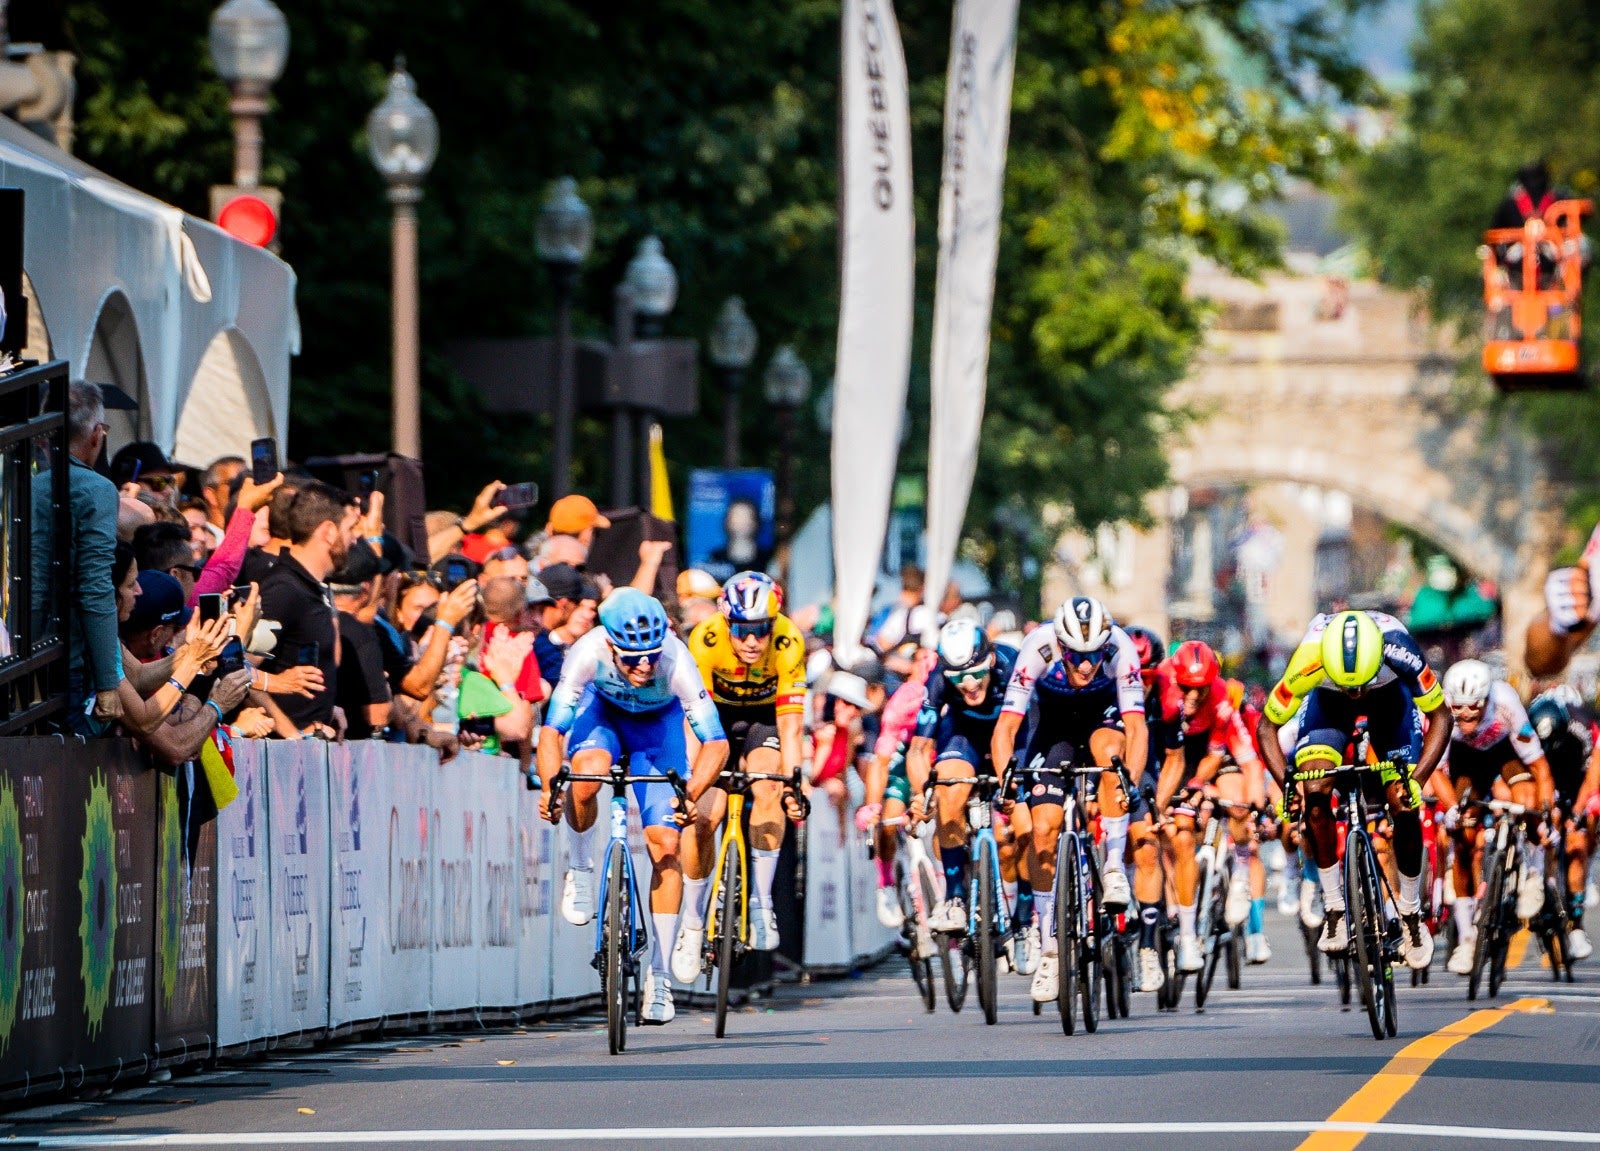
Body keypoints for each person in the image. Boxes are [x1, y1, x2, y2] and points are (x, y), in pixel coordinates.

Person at [537, 588, 729, 1025]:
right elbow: (552, 732)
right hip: (602, 715)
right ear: (609, 645)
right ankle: (582, 868)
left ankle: (659, 977)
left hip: (657, 731)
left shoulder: (678, 661)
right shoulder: (587, 652)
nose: (644, 665)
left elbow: (716, 742)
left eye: (651, 656)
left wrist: (692, 794)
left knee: (665, 843)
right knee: (584, 779)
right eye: (631, 658)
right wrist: (551, 788)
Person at [1256, 610, 1451, 971]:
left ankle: (1410, 915)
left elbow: (1442, 717)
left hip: (1391, 699)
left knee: (1403, 804)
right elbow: (1267, 726)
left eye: (1360, 686)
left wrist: (1417, 779)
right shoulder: (1309, 658)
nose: (1356, 694)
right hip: (1327, 705)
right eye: (1350, 687)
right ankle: (1333, 905)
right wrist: (1288, 783)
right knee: (1314, 790)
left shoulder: (1399, 649)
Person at [990, 596, 1149, 1004]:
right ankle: (1049, 948)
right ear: (1059, 646)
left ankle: (1112, 867)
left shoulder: (1120, 648)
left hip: (1103, 717)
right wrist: (1008, 781)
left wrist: (1128, 781)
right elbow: (1007, 728)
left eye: (1093, 655)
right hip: (1054, 724)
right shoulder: (1037, 646)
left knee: (1111, 755)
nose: (1085, 665)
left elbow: (1137, 729)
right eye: (1076, 655)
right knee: (1042, 829)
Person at [673, 571, 808, 978]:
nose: (752, 641)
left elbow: (791, 725)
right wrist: (689, 783)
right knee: (702, 820)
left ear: (773, 625)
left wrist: (794, 781)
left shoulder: (789, 641)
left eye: (761, 631)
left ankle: (761, 904)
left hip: (764, 721)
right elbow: (693, 721)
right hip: (716, 719)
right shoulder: (706, 639)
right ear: (726, 623)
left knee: (768, 784)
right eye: (742, 631)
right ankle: (693, 921)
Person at [904, 621, 1021, 955]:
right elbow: (916, 749)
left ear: (991, 659)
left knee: (1029, 823)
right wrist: (919, 794)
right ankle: (954, 896)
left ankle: (1025, 916)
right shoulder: (938, 680)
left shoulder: (1013, 666)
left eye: (975, 673)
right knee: (948, 792)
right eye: (957, 677)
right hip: (964, 736)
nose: (968, 685)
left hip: (1014, 735)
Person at [1439, 659, 1556, 974]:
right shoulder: (1438, 711)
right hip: (1466, 762)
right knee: (1463, 840)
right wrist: (1452, 811)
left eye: (1474, 708)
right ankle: (1466, 939)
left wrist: (1544, 815)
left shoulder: (1505, 702)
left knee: (1526, 798)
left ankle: (1532, 874)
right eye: (1459, 709)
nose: (1466, 716)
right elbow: (1436, 772)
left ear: (1487, 700)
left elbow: (1540, 767)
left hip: (1504, 753)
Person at [1161, 640, 1271, 970]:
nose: (1193, 696)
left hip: (1215, 754)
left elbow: (1248, 764)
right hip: (1176, 757)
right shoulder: (1163, 694)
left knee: (1237, 801)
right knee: (1173, 836)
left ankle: (1238, 872)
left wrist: (1256, 806)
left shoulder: (1224, 700)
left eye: (1202, 690)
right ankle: (1177, 917)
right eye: (1187, 689)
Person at [259, 482, 360, 735]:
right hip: (280, 758)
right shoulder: (283, 589)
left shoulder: (312, 586)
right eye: (350, 529)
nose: (355, 539)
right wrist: (293, 734)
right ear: (328, 531)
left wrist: (325, 710)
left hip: (309, 752)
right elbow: (237, 667)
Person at [55, 383, 126, 728]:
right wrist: (108, 684)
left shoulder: (18, 476)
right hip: (65, 658)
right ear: (97, 434)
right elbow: (95, 587)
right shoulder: (95, 488)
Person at [1529, 685, 1600, 962]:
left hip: (1577, 779)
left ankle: (1577, 925)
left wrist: (1575, 815)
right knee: (1541, 829)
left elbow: (1592, 779)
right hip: (1544, 777)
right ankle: (1537, 883)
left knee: (1577, 844)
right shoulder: (1527, 730)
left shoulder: (1581, 730)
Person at [531, 563, 598, 686]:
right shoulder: (545, 649)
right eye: (577, 602)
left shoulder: (524, 632)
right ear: (563, 604)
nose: (576, 608)